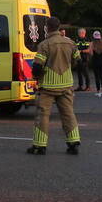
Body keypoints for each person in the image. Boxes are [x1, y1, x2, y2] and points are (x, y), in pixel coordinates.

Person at [27, 16, 82, 155]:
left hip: (48, 87)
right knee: (68, 114)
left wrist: (36, 78)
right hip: (66, 85)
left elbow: (38, 67)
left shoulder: (44, 45)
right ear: (59, 27)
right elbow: (79, 61)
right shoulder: (70, 43)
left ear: (47, 28)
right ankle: (73, 142)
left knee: (43, 115)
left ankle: (39, 146)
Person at [90, 30, 102, 96]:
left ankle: (98, 92)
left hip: (95, 62)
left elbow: (91, 53)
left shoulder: (92, 43)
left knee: (97, 77)